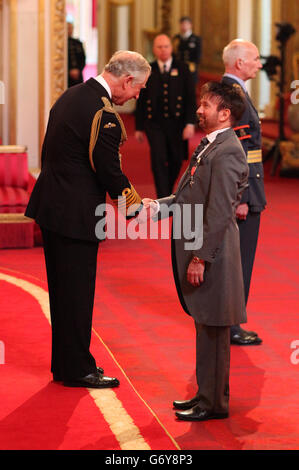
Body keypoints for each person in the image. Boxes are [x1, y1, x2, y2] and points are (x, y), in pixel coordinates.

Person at [25, 51, 151, 389]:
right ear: (126, 81)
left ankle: (66, 366)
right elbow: (109, 168)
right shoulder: (103, 112)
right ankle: (79, 368)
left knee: (64, 295)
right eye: (138, 88)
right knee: (77, 296)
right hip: (76, 215)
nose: (137, 94)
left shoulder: (71, 95)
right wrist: (135, 206)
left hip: (54, 208)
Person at [142, 81, 249, 421]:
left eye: (207, 105)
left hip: (213, 253)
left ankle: (213, 403)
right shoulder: (209, 145)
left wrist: (201, 257)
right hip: (201, 247)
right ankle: (206, 395)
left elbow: (218, 212)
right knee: (205, 324)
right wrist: (154, 207)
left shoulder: (228, 150)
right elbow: (188, 197)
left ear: (225, 113)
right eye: (200, 103)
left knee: (215, 329)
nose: (199, 109)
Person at [222, 39, 266, 346]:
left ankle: (230, 321)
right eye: (254, 59)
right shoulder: (234, 96)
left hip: (247, 190)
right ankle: (231, 325)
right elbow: (237, 153)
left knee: (237, 261)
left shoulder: (233, 93)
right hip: (244, 195)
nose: (259, 64)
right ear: (239, 63)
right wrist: (242, 197)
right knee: (240, 262)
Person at [135, 34, 197, 199]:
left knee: (176, 159)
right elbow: (140, 100)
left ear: (171, 48)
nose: (163, 50)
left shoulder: (183, 68)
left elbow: (191, 98)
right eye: (159, 47)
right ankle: (163, 196)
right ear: (154, 49)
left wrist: (190, 123)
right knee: (158, 159)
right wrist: (139, 127)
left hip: (177, 123)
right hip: (154, 123)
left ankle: (168, 189)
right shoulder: (148, 69)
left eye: (166, 46)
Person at [172, 16, 202, 84]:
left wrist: (192, 66)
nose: (184, 26)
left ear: (190, 25)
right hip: (178, 68)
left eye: (186, 24)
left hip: (190, 69)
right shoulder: (176, 38)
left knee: (190, 90)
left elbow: (198, 56)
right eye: (182, 24)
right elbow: (173, 54)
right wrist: (173, 70)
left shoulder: (196, 39)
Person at [67, 21, 86, 87]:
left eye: (71, 28)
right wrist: (69, 70)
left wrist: (78, 70)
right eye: (68, 28)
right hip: (67, 76)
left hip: (78, 76)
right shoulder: (61, 45)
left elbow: (83, 58)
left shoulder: (78, 43)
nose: (70, 30)